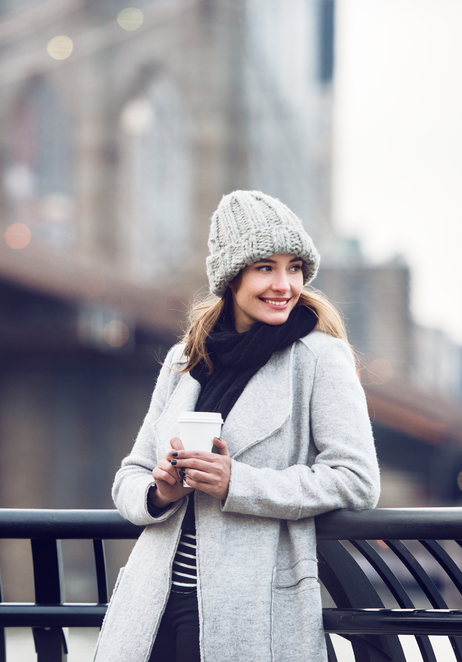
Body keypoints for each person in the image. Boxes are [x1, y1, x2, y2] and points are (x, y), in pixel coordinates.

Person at [93, 190, 380, 662]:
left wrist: (237, 483)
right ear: (231, 277)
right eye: (265, 267)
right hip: (152, 603)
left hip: (250, 607)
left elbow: (357, 481)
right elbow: (130, 474)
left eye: (295, 268)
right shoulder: (186, 359)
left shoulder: (318, 358)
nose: (284, 284)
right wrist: (160, 491)